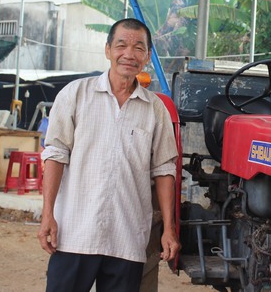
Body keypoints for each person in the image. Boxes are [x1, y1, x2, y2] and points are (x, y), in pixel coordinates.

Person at [37, 18, 180, 292]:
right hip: (75, 233)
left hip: (126, 238)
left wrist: (169, 229)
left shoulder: (155, 110)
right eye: (121, 45)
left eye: (139, 48)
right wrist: (47, 215)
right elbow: (55, 154)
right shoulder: (76, 94)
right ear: (107, 50)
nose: (129, 54)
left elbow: (164, 170)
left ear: (147, 56)